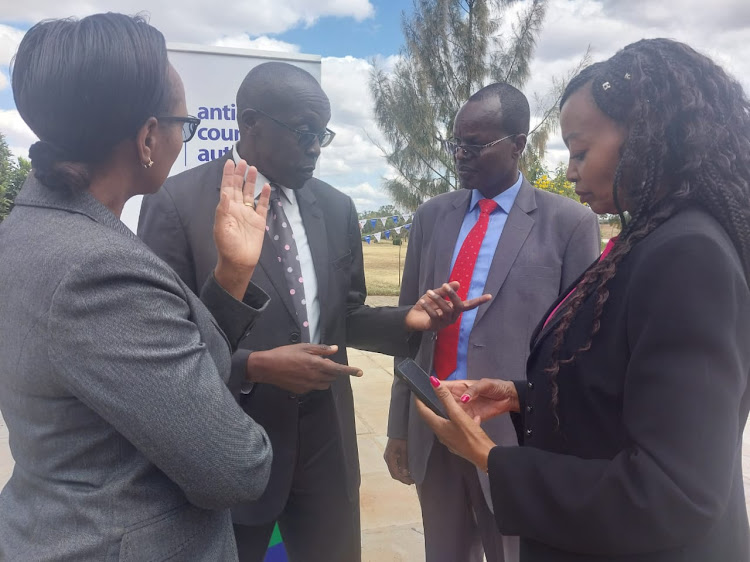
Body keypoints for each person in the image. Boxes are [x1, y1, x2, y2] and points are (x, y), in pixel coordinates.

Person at [416, 38, 750, 562]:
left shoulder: (689, 255)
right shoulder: (651, 237)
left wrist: (493, 459)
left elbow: (674, 492)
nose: (570, 171)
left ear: (645, 136)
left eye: (580, 151)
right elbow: (622, 387)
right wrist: (520, 395)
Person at [138, 61, 486, 562]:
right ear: (251, 123)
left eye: (322, 133)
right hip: (229, 445)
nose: (316, 147)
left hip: (326, 447)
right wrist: (256, 367)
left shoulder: (337, 207)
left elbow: (342, 314)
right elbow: (163, 345)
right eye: (304, 132)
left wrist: (409, 319)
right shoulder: (178, 202)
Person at [0, 14, 275, 561]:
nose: (183, 137)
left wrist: (231, 276)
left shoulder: (30, 228)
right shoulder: (97, 272)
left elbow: (148, 376)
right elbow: (234, 469)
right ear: (149, 137)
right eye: (184, 124)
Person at [385, 82, 600, 562]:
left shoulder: (568, 224)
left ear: (518, 144)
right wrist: (398, 427)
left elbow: (577, 350)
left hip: (510, 439)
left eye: (475, 144)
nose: (460, 154)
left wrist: (560, 447)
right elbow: (408, 331)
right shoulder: (431, 217)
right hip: (433, 426)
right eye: (455, 142)